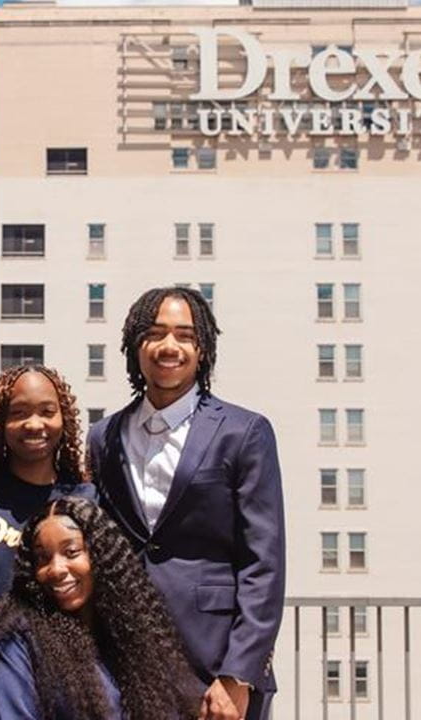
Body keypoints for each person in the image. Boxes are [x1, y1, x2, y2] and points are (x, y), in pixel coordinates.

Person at [87, 286, 286, 720]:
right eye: (155, 333)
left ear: (203, 349)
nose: (168, 346)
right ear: (135, 345)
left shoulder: (244, 432)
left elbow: (264, 564)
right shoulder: (103, 438)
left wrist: (239, 674)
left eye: (184, 335)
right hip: (127, 663)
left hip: (215, 665)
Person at [0, 497, 200, 719]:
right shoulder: (16, 642)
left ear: (102, 556)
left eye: (71, 553)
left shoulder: (131, 636)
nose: (56, 569)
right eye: (43, 558)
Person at [0, 365, 97, 610]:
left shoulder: (84, 499)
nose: (34, 424)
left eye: (47, 411)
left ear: (63, 418)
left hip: (59, 643)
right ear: (0, 422)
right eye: (19, 412)